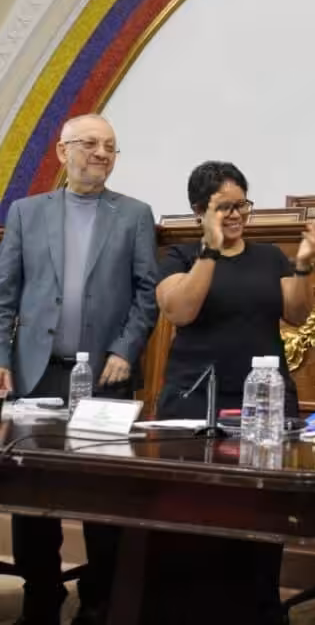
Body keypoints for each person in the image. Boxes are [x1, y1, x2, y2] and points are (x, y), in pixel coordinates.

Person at [142, 160, 315, 624]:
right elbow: (181, 310)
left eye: (241, 204)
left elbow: (297, 314)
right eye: (222, 206)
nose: (235, 215)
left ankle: (258, 609)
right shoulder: (180, 257)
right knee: (192, 508)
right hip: (194, 399)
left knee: (261, 510)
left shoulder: (269, 256)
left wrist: (304, 264)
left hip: (264, 401)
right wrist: (209, 251)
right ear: (197, 212)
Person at [0, 113, 159, 625]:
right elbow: (4, 296)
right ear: (61, 152)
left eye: (110, 146)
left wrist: (125, 350)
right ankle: (41, 594)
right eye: (90, 144)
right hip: (37, 373)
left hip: (106, 379)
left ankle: (99, 599)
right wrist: (1, 359)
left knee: (103, 492)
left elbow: (145, 295)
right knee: (32, 492)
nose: (101, 154)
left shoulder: (134, 214)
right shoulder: (26, 213)